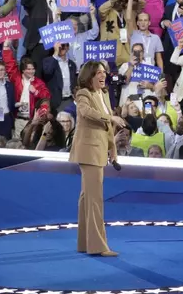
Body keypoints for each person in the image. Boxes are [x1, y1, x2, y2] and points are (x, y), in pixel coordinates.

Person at [68, 61, 118, 257]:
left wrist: (113, 150)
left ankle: (84, 242)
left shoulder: (104, 94)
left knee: (87, 197)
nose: (102, 75)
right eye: (98, 72)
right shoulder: (83, 94)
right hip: (88, 151)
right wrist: (111, 118)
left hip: (99, 150)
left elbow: (107, 128)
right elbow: (86, 112)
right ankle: (98, 246)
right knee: (95, 199)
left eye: (104, 72)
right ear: (89, 76)